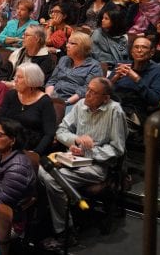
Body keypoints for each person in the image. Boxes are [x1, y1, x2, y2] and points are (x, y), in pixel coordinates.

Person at [39, 77, 126, 252]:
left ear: (106, 98)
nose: (88, 94)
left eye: (94, 92)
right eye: (88, 89)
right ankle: (66, 213)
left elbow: (117, 149)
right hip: (73, 157)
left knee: (53, 179)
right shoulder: (80, 105)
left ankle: (65, 232)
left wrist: (89, 151)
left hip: (97, 165)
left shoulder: (114, 111)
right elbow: (61, 130)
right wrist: (76, 139)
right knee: (42, 168)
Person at [0, 63, 56, 155]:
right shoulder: (11, 95)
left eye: (20, 77)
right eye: (15, 77)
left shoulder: (45, 101)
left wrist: (35, 153)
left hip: (30, 148)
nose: (15, 80)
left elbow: (49, 134)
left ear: (32, 80)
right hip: (6, 143)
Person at [111, 36, 160, 127]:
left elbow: (155, 99)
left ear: (151, 52)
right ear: (132, 52)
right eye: (136, 47)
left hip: (135, 112)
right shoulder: (122, 65)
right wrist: (115, 78)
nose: (139, 50)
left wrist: (137, 79)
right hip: (113, 105)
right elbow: (103, 89)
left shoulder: (157, 70)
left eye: (144, 47)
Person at [45, 31, 103, 111]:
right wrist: (48, 97)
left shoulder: (94, 66)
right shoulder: (64, 59)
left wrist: (66, 102)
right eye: (68, 42)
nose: (67, 45)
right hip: (55, 97)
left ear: (83, 47)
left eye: (72, 43)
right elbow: (52, 81)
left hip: (75, 102)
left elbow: (86, 90)